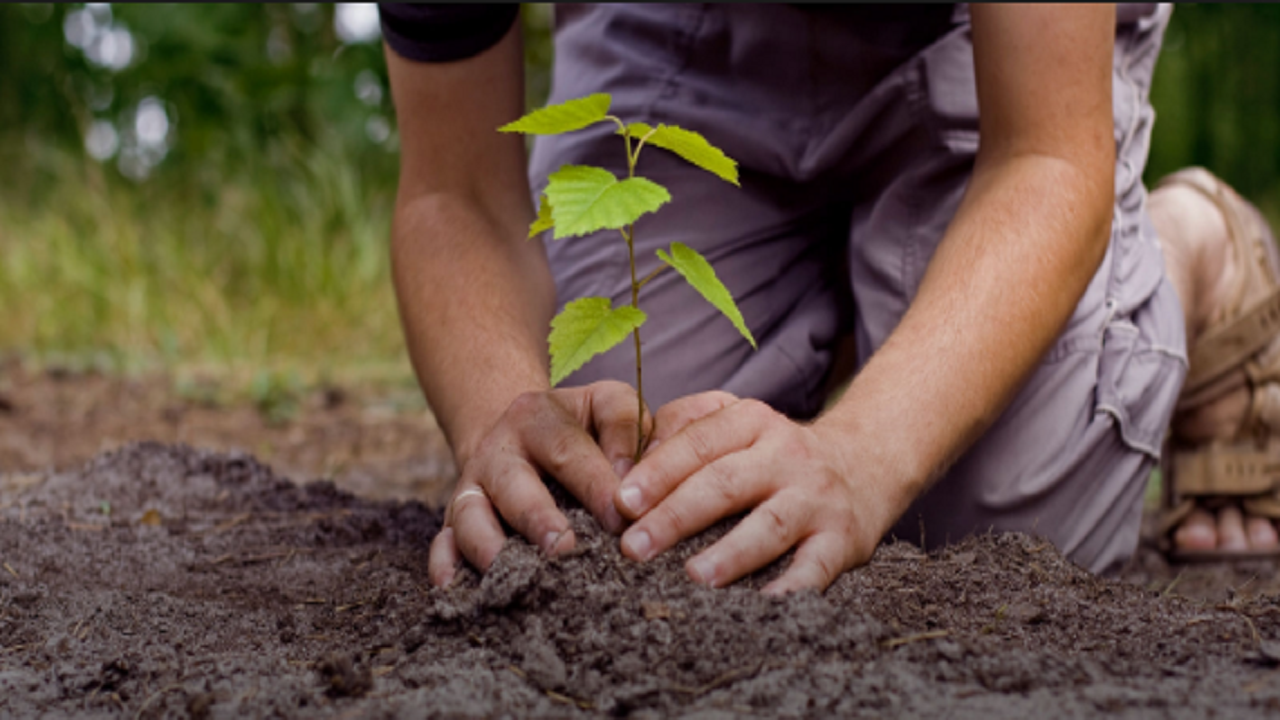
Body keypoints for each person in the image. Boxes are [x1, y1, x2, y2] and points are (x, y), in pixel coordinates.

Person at [380, 3, 1280, 593]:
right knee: (617, 482)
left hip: (988, 37)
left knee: (989, 540)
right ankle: (860, 289)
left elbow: (1045, 155)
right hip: (679, 27)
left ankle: (1191, 246)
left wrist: (862, 455)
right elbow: (452, 191)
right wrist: (502, 414)